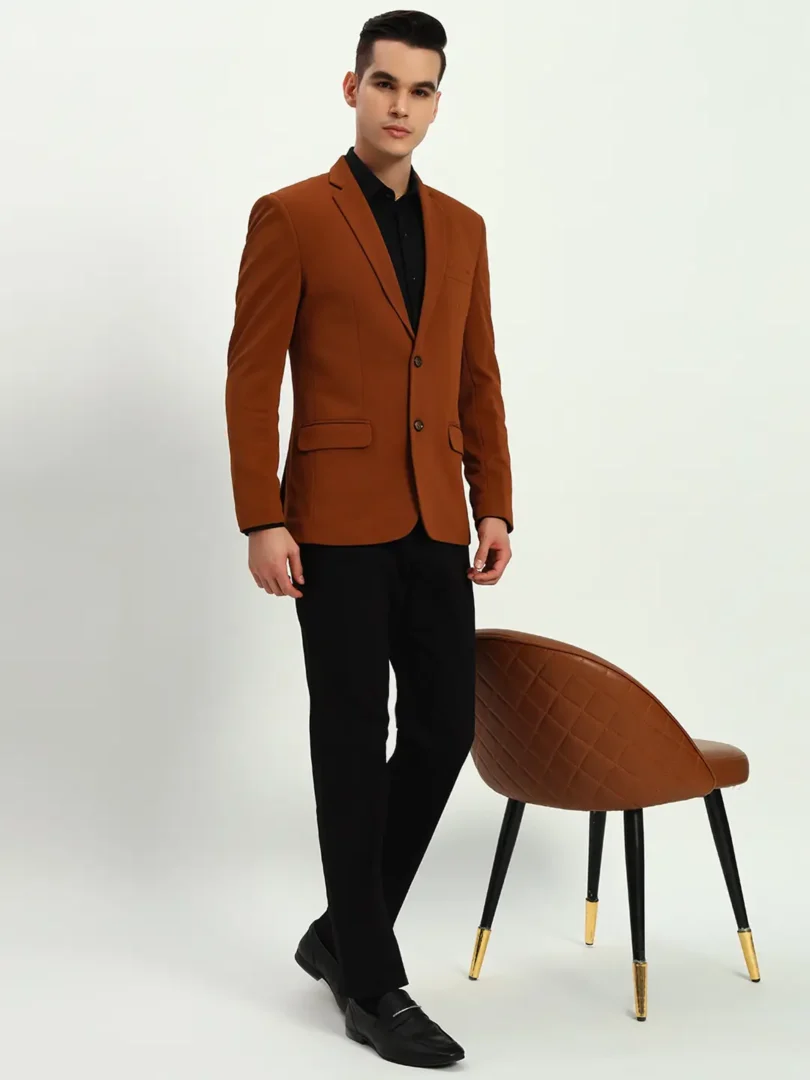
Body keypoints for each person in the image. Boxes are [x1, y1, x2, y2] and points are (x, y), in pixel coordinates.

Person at [225, 10, 514, 1068]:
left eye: (421, 89)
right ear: (352, 88)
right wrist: (262, 515)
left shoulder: (465, 229)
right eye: (385, 84)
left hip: (437, 517)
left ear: (437, 102)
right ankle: (373, 982)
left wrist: (495, 502)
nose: (402, 105)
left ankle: (341, 935)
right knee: (350, 739)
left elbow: (476, 374)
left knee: (443, 729)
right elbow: (252, 376)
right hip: (332, 523)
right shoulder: (293, 215)